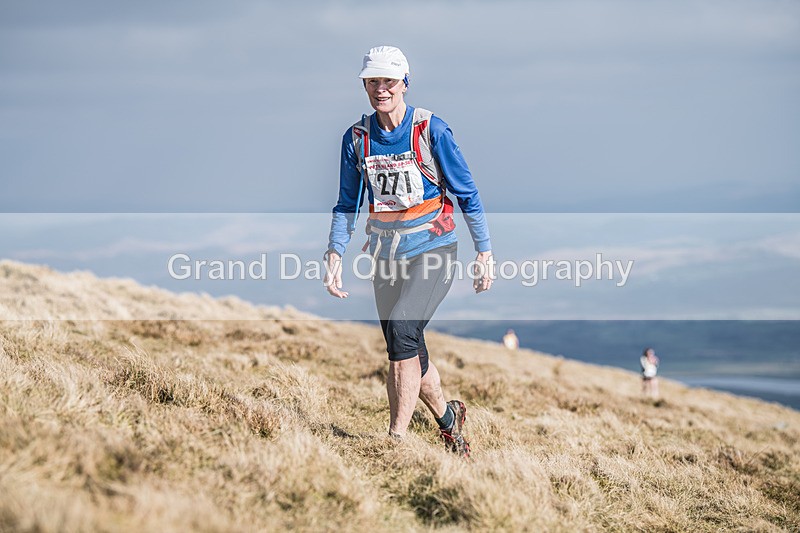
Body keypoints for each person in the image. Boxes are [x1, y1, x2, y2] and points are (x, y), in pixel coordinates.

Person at [324, 46, 494, 458]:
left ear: (405, 83)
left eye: (388, 81)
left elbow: (467, 193)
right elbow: (347, 203)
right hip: (386, 256)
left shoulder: (431, 130)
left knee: (402, 329)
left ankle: (395, 441)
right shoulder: (357, 139)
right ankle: (450, 422)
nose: (380, 89)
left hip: (434, 250)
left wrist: (484, 251)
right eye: (372, 81)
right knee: (408, 348)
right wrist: (334, 253)